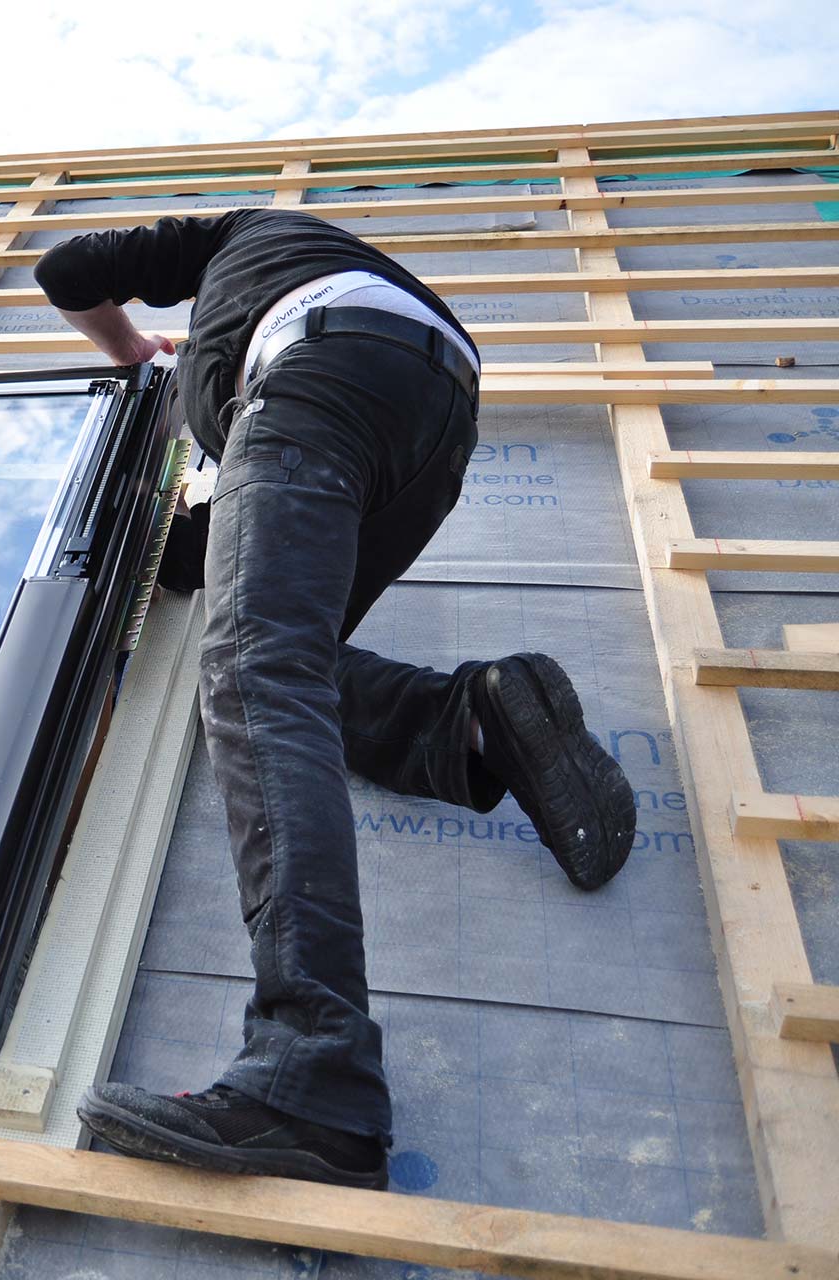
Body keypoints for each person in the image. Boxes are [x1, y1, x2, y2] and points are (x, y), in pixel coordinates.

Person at [35, 208, 636, 1189]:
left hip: (318, 373)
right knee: (290, 669)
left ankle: (311, 1072)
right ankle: (481, 722)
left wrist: (135, 346)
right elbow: (223, 565)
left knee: (254, 679)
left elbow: (65, 267)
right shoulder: (301, 251)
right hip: (434, 407)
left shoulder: (228, 236)